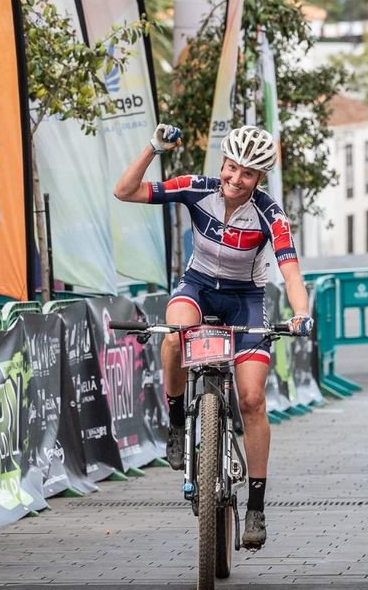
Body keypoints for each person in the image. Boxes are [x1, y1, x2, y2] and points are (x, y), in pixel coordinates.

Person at [113, 124, 313, 550]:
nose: (235, 179)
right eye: (232, 168)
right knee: (175, 334)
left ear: (260, 179)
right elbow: (124, 192)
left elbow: (291, 273)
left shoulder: (270, 214)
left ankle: (256, 507)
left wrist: (300, 314)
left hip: (246, 300)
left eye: (248, 174)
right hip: (198, 288)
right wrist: (153, 148)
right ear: (222, 162)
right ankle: (176, 422)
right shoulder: (195, 188)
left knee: (253, 401)